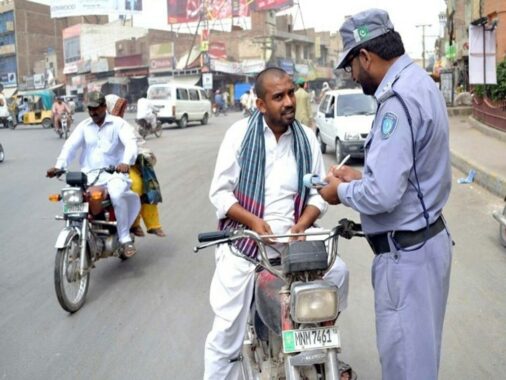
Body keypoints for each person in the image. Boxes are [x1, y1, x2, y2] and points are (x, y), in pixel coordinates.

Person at [318, 9, 452, 380]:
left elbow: (383, 195)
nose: (352, 75)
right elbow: (407, 175)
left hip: (406, 257)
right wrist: (360, 175)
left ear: (366, 56)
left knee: (406, 367)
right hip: (426, 245)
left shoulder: (396, 100)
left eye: (351, 66)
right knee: (421, 360)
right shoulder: (420, 83)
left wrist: (340, 191)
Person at [204, 67, 349, 379]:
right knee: (226, 331)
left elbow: (318, 193)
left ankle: (320, 342)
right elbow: (220, 194)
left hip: (294, 244)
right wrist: (254, 222)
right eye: (278, 96)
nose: (288, 102)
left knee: (338, 271)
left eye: (291, 93)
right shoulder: (239, 135)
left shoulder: (307, 138)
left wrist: (302, 225)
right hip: (245, 243)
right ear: (260, 104)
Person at [46, 91, 141, 258]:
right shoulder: (84, 126)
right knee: (71, 195)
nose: (93, 112)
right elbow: (70, 146)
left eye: (96, 108)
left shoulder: (118, 124)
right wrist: (58, 166)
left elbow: (130, 143)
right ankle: (79, 231)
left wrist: (126, 162)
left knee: (117, 194)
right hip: (89, 176)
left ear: (104, 106)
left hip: (114, 175)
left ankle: (125, 239)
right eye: (90, 109)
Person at [106, 94, 166, 238]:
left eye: (121, 109)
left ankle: (147, 225)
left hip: (126, 166)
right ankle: (133, 224)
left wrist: (144, 156)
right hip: (101, 168)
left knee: (144, 185)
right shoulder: (95, 127)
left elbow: (137, 144)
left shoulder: (125, 126)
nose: (120, 112)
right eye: (117, 109)